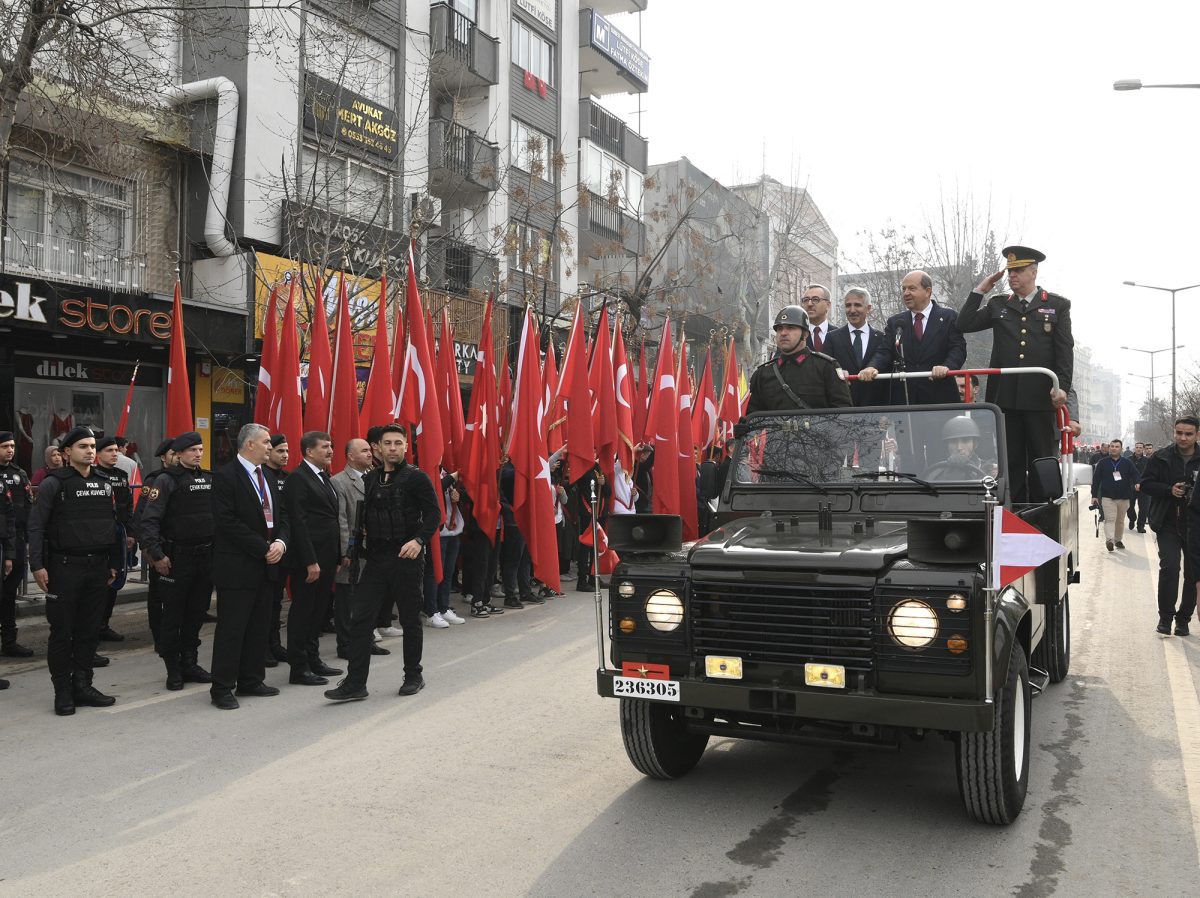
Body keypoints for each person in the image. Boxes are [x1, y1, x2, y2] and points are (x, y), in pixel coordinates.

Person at [325, 424, 439, 702]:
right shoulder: (371, 479)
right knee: (361, 620)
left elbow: (434, 515)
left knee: (410, 620)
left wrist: (418, 541)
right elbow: (362, 519)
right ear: (378, 448)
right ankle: (355, 683)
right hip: (375, 560)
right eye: (387, 443)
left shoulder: (417, 478)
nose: (392, 448)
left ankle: (413, 675)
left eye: (398, 443)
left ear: (406, 447)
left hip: (406, 559)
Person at [955, 246, 1073, 503]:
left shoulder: (1056, 305)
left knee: (1042, 459)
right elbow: (963, 323)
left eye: (1018, 270)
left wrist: (1062, 386)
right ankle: (1015, 510)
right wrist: (980, 291)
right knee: (1012, 461)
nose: (1012, 276)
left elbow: (1064, 350)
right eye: (1010, 271)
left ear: (1034, 272)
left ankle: (1044, 511)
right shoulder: (999, 304)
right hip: (1006, 397)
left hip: (1040, 397)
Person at [27, 426, 121, 715]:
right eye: (83, 446)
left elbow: (112, 524)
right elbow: (36, 526)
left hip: (97, 567)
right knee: (62, 632)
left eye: (92, 446)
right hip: (64, 568)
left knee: (89, 631)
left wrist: (115, 562)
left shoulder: (104, 482)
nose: (90, 451)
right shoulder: (53, 484)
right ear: (67, 452)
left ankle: (83, 685)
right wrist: (37, 565)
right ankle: (63, 691)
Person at [208, 423, 290, 710]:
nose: (271, 447)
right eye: (266, 442)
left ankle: (251, 680)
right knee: (232, 628)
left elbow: (282, 516)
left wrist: (280, 542)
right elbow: (227, 521)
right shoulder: (225, 476)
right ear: (249, 444)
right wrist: (262, 547)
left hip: (268, 565)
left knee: (258, 626)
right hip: (238, 566)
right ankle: (222, 687)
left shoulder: (267, 476)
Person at [137, 432, 215, 689]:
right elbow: (149, 520)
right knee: (173, 616)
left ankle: (190, 663)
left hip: (204, 557)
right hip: (176, 558)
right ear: (179, 454)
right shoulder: (166, 480)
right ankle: (173, 669)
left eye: (200, 450)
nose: (198, 454)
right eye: (193, 450)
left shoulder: (209, 478)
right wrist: (157, 554)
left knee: (196, 614)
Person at [282, 431, 343, 686]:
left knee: (318, 610)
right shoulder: (298, 478)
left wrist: (337, 556)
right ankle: (299, 667)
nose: (330, 451)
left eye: (331, 446)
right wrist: (310, 560)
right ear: (309, 451)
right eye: (325, 447)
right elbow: (298, 522)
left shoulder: (323, 476)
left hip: (327, 556)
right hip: (309, 559)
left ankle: (313, 659)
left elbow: (331, 519)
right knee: (303, 611)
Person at [859, 270, 966, 405]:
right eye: (904, 289)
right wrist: (872, 366)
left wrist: (947, 367)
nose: (906, 293)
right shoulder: (896, 322)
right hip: (905, 399)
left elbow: (958, 349)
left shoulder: (949, 317)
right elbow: (884, 351)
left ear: (927, 291)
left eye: (911, 288)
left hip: (940, 396)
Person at [1138, 417, 1200, 636]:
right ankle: (1165, 618)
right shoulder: (1160, 457)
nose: (1183, 438)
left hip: (1195, 525)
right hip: (1167, 523)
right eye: (1179, 433)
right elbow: (1145, 484)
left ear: (1197, 435)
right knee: (1170, 568)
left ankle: (1183, 620)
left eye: (1188, 434)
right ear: (1174, 432)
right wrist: (1169, 490)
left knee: (1193, 574)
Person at [330, 438, 391, 658]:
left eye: (369, 450)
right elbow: (341, 519)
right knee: (347, 600)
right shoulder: (339, 482)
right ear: (350, 456)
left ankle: (366, 640)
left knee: (369, 599)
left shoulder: (376, 477)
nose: (369, 453)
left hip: (375, 548)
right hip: (353, 549)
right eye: (364, 450)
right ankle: (346, 644)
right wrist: (346, 550)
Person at [746, 306, 852, 413]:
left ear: (805, 334)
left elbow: (844, 414)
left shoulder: (826, 367)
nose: (783, 333)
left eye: (791, 328)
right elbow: (754, 416)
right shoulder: (763, 374)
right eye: (780, 328)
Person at [93, 436, 134, 643]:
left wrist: (131, 533)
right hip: (99, 536)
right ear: (98, 454)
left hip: (119, 534)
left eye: (116, 450)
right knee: (98, 583)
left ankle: (104, 624)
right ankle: (92, 626)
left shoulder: (121, 476)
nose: (114, 454)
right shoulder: (93, 475)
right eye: (109, 450)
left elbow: (128, 506)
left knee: (115, 580)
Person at [0, 431, 35, 657]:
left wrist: (30, 540)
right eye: (5, 446)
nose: (10, 450)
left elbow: (29, 507)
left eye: (12, 446)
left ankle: (9, 641)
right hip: (2, 539)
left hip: (18, 538)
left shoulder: (19, 474)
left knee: (9, 593)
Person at [825, 287, 888, 406]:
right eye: (848, 305)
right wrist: (838, 372)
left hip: (875, 407)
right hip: (842, 407)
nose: (852, 310)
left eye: (857, 305)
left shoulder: (881, 338)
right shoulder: (832, 338)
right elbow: (825, 369)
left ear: (869, 308)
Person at [422, 470, 467, 627]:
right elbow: (434, 488)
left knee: (448, 572)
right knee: (434, 572)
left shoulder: (446, 470)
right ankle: (431, 611)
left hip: (453, 529)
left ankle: (443, 607)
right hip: (437, 532)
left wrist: (458, 496)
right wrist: (452, 477)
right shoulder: (426, 468)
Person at [262, 433, 290, 666]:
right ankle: (263, 647)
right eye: (280, 451)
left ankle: (274, 643)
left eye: (287, 451)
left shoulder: (287, 478)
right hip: (265, 547)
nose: (285, 455)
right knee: (265, 601)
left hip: (283, 545)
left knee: (276, 600)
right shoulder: (261, 476)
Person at [1090, 439, 1138, 552]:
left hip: (1124, 497)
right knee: (1110, 519)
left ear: (1121, 449)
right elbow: (1096, 480)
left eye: (1117, 447)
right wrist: (1094, 495)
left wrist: (1137, 482)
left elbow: (1135, 474)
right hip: (1108, 497)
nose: (1114, 448)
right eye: (1112, 446)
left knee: (1120, 521)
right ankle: (1110, 540)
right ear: (1109, 448)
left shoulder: (1127, 462)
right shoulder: (1102, 463)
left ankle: (1117, 540)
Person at [922, 416, 989, 481]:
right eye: (953, 441)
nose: (959, 447)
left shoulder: (988, 470)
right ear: (947, 446)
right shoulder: (935, 475)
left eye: (965, 440)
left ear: (975, 444)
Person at [799, 284, 835, 353]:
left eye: (815, 299)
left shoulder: (840, 336)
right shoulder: (796, 334)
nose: (809, 304)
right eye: (806, 300)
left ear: (828, 305)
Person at [1129, 442, 1151, 533]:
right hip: (1130, 487)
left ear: (1143, 449)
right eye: (1137, 447)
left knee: (1144, 508)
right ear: (1135, 448)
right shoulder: (1128, 460)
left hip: (1144, 487)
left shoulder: (1148, 461)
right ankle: (1132, 518)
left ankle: (1140, 526)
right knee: (1129, 507)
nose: (1138, 449)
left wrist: (1141, 483)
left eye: (1140, 447)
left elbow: (1149, 474)